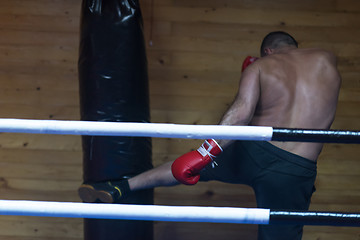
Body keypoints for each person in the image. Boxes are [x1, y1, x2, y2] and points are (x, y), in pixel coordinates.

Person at [78, 31, 341, 240]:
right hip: (294, 171)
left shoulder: (261, 66)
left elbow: (240, 114)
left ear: (267, 51)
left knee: (188, 165)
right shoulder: (327, 60)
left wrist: (203, 154)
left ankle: (121, 186)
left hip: (253, 152)